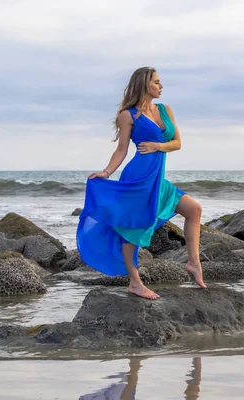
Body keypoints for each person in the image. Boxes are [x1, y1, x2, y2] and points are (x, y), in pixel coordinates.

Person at [76, 66, 206, 300]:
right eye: (156, 82)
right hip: (137, 178)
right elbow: (122, 149)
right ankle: (135, 282)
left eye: (160, 81)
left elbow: (177, 143)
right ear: (144, 85)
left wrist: (158, 146)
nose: (161, 86)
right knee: (132, 231)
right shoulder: (128, 115)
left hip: (157, 179)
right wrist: (106, 172)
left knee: (194, 209)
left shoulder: (165, 110)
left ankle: (193, 263)